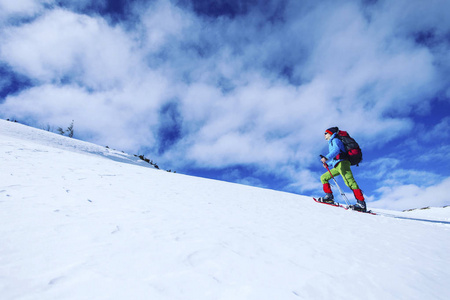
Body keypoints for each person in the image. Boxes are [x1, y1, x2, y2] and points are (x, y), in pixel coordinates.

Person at [320, 127, 367, 212]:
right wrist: (328, 164)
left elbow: (337, 150)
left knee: (349, 182)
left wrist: (326, 158)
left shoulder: (335, 140)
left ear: (330, 133)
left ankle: (361, 203)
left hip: (343, 163)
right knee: (324, 177)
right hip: (337, 165)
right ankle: (329, 197)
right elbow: (335, 158)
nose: (324, 135)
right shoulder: (331, 142)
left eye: (326, 133)